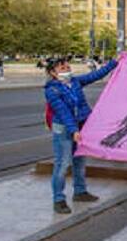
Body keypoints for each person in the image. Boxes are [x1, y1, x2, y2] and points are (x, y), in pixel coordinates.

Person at [45, 56, 118, 214]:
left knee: (80, 159)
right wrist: (74, 130)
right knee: (62, 163)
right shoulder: (52, 90)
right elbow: (63, 112)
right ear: (53, 73)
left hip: (80, 125)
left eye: (67, 66)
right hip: (64, 128)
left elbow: (95, 75)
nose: (67, 69)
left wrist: (114, 63)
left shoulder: (76, 82)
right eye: (62, 68)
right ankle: (58, 199)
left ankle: (80, 192)